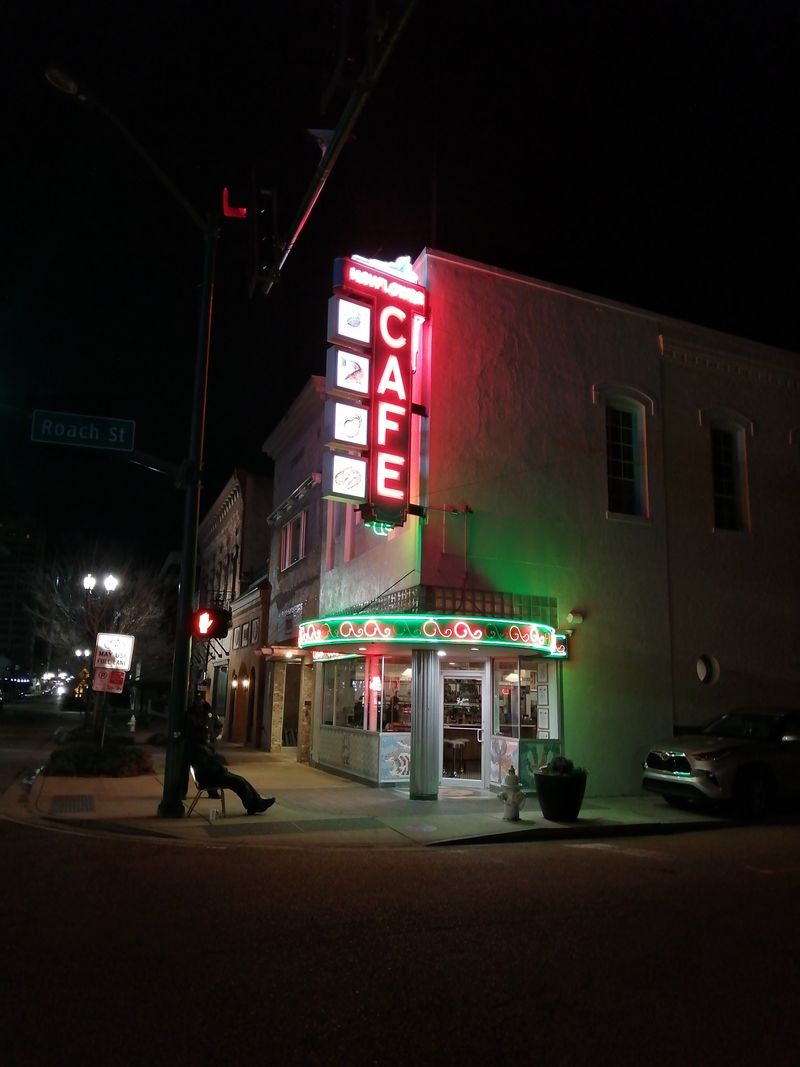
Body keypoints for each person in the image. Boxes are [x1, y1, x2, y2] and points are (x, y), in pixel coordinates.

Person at [185, 701, 275, 816]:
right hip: (209, 778)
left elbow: (212, 761)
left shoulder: (202, 746)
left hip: (213, 775)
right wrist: (222, 770)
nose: (208, 737)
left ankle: (257, 802)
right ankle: (254, 804)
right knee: (239, 782)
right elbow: (207, 768)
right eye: (206, 735)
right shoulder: (198, 749)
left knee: (241, 780)